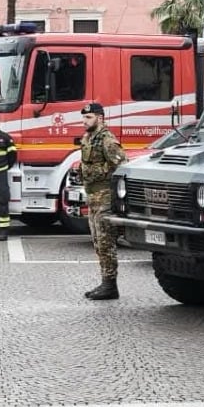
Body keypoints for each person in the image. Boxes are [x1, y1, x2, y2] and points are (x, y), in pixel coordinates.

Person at [79, 101, 128, 301]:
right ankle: (105, 282)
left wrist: (97, 172)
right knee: (98, 243)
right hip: (92, 197)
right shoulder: (88, 138)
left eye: (88, 117)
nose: (84, 121)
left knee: (106, 242)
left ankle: (110, 286)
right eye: (83, 118)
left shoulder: (108, 140)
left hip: (105, 197)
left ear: (100, 118)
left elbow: (122, 166)